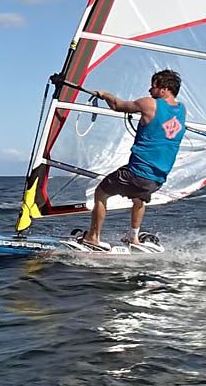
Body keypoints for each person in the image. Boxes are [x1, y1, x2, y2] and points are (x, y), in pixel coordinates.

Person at [80, 69, 187, 250]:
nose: (149, 90)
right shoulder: (182, 109)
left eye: (153, 86)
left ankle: (93, 237)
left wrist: (105, 94)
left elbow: (117, 105)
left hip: (136, 172)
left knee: (101, 193)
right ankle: (133, 238)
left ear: (164, 89)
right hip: (157, 178)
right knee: (139, 198)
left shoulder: (149, 104)